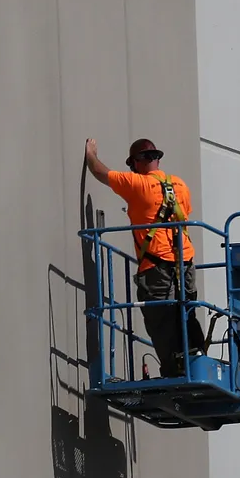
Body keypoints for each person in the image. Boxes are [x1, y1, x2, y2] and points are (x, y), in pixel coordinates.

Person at [84, 137, 205, 378]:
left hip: (156, 267)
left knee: (161, 320)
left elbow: (98, 170)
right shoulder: (180, 186)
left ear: (137, 162)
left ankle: (174, 372)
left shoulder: (136, 184)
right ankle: (197, 365)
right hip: (185, 265)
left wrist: (91, 152)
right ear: (157, 159)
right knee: (186, 312)